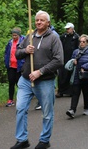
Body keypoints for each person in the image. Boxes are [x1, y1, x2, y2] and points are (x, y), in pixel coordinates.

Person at [11, 10, 64, 149]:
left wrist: (40, 72)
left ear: (48, 22)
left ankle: (44, 140)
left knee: (47, 112)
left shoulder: (53, 38)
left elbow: (59, 60)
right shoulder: (29, 36)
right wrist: (25, 51)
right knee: (20, 108)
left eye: (42, 20)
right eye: (36, 20)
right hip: (25, 80)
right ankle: (22, 139)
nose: (38, 22)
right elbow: (17, 54)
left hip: (45, 81)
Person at [64, 34, 88, 118]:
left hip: (86, 76)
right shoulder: (76, 51)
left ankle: (86, 108)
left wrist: (84, 67)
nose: (81, 43)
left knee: (86, 93)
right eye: (80, 41)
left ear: (87, 43)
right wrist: (73, 61)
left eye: (83, 42)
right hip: (76, 75)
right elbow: (72, 60)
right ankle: (72, 110)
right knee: (75, 93)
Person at [4, 27, 25, 107]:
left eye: (15, 35)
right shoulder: (10, 43)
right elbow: (6, 53)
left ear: (19, 35)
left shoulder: (22, 42)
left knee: (19, 83)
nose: (14, 37)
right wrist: (6, 61)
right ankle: (10, 99)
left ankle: (21, 99)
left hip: (20, 66)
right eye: (13, 35)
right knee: (11, 83)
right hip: (11, 66)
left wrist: (23, 63)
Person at [57, 23, 79, 97]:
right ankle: (60, 91)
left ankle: (70, 91)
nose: (67, 30)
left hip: (72, 58)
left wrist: (76, 58)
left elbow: (78, 48)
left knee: (70, 74)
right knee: (61, 75)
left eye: (68, 28)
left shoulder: (76, 37)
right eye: (66, 29)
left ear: (72, 29)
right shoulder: (63, 37)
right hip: (63, 58)